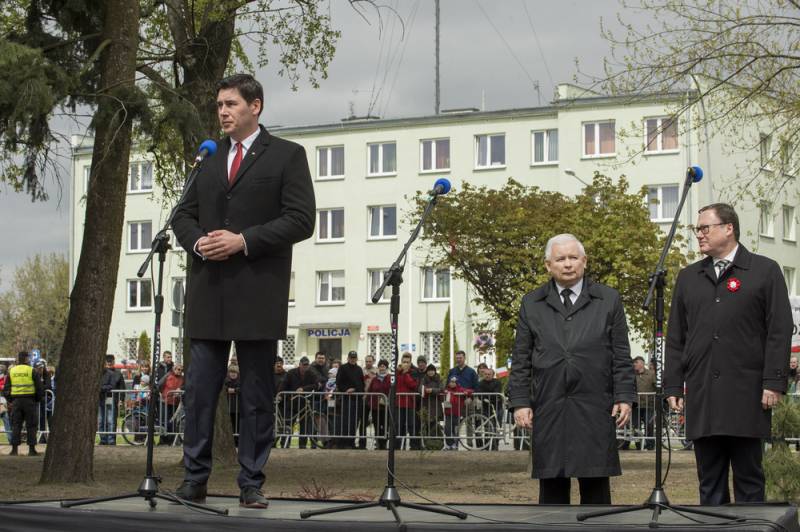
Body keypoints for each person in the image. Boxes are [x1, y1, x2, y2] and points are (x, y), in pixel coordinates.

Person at [171, 73, 315, 508]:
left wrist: (244, 240)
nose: (222, 112)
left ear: (256, 106)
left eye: (231, 104)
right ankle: (194, 478)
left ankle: (251, 481)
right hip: (209, 292)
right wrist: (199, 243)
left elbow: (301, 219)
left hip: (257, 293)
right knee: (199, 393)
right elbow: (182, 215)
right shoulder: (208, 158)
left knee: (255, 396)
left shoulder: (287, 155)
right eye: (219, 105)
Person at [665, 203, 793, 505]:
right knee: (709, 480)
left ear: (728, 228)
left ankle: (751, 525)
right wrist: (673, 385)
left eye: (705, 228)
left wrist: (773, 382)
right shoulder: (689, 277)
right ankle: (712, 525)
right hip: (703, 393)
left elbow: (779, 330)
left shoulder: (764, 271)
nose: (699, 234)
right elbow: (676, 337)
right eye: (697, 229)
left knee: (749, 477)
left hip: (747, 393)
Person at [509, 233, 635, 505]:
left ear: (584, 261)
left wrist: (624, 396)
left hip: (595, 406)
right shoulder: (531, 303)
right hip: (549, 406)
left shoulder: (608, 299)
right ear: (548, 265)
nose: (567, 264)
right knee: (552, 493)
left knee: (596, 491)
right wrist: (520, 402)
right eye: (560, 259)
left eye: (573, 257)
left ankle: (598, 525)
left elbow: (621, 355)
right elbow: (521, 358)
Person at [3, 352, 44, 456]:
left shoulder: (12, 371)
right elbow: (39, 388)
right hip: (30, 400)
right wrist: (37, 399)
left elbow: (6, 389)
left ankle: (14, 450)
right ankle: (31, 450)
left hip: (16, 401)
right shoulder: (32, 370)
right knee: (31, 425)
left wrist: (11, 400)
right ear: (26, 359)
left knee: (16, 425)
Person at [279, 356, 322, 448]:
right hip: (292, 403)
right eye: (304, 365)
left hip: (304, 403)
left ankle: (302, 445)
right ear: (299, 364)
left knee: (304, 426)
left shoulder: (311, 374)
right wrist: (281, 395)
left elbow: (317, 385)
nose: (305, 367)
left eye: (307, 365)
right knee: (288, 424)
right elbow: (284, 385)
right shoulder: (291, 373)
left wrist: (303, 389)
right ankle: (284, 444)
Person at [98, 354, 126, 445]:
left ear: (113, 362)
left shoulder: (118, 374)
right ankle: (103, 439)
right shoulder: (100, 373)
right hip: (101, 399)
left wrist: (121, 400)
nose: (109, 363)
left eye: (111, 361)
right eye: (107, 361)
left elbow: (122, 388)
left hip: (112, 399)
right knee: (101, 420)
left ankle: (111, 440)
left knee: (111, 420)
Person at [394, 358, 421, 450]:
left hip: (410, 403)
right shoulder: (397, 373)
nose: (405, 364)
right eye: (404, 362)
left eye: (407, 362)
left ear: (410, 363)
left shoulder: (413, 372)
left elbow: (413, 385)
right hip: (399, 403)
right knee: (398, 425)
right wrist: (400, 372)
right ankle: (397, 446)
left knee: (412, 425)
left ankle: (413, 446)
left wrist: (405, 374)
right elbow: (393, 383)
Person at [631, 356, 656, 450]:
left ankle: (650, 445)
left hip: (649, 405)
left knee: (649, 425)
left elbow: (657, 387)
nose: (634, 364)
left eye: (636, 362)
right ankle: (638, 445)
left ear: (641, 363)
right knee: (635, 426)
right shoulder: (632, 375)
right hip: (636, 405)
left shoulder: (651, 374)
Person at [476, 367, 503, 450]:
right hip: (486, 408)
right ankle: (487, 446)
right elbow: (480, 394)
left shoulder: (497, 382)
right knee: (488, 427)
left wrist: (487, 397)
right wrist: (488, 397)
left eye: (489, 374)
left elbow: (496, 393)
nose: (487, 376)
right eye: (485, 374)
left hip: (497, 407)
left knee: (497, 426)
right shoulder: (480, 383)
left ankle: (495, 446)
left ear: (493, 375)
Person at [442, 376, 472, 450]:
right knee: (447, 429)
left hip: (457, 414)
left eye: (453, 382)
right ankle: (449, 444)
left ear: (457, 383)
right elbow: (441, 391)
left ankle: (455, 445)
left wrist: (467, 392)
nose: (452, 384)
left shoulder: (460, 389)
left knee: (455, 431)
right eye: (450, 382)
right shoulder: (446, 390)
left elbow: (470, 391)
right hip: (448, 413)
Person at [367, 359, 391, 450]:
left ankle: (384, 443)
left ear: (386, 368)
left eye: (383, 366)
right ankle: (378, 443)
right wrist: (369, 403)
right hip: (375, 407)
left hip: (386, 407)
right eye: (380, 366)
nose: (382, 368)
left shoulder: (390, 378)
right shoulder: (374, 379)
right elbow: (370, 391)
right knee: (377, 425)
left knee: (385, 426)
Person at [224, 365, 241, 446]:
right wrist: (227, 389)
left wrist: (235, 390)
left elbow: (242, 388)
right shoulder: (226, 381)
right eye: (231, 372)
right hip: (229, 407)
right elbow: (223, 388)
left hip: (238, 408)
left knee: (237, 424)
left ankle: (237, 441)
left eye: (235, 372)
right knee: (230, 424)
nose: (233, 374)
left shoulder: (240, 381)